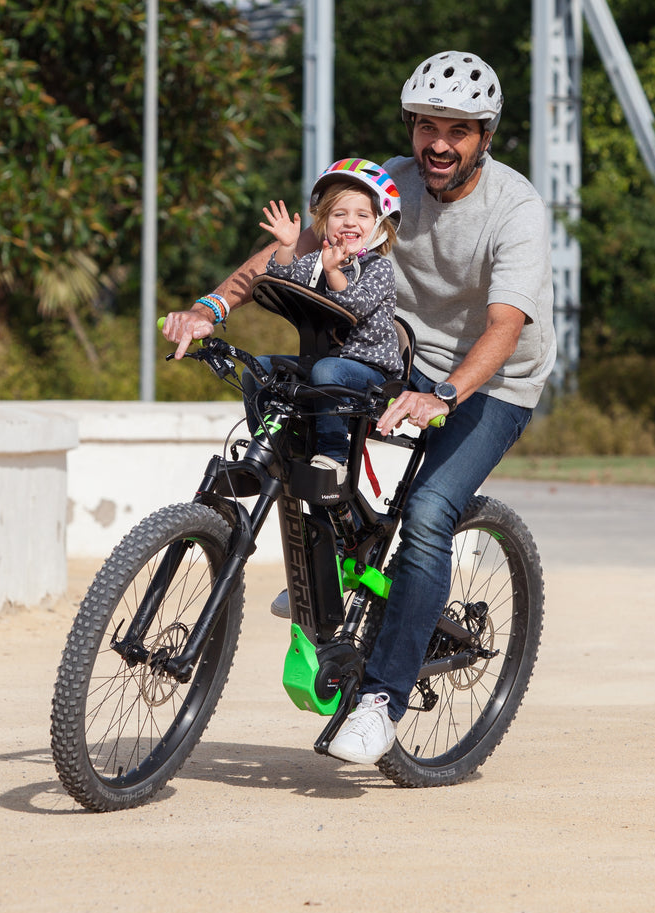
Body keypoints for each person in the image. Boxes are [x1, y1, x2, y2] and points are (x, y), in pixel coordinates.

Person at [162, 51, 555, 767]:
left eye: (458, 130)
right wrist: (208, 307)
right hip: (396, 357)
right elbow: (289, 254)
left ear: (485, 135)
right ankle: (333, 573)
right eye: (426, 126)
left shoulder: (514, 208)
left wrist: (441, 393)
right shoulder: (384, 186)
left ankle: (380, 700)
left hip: (490, 380)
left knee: (432, 511)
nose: (438, 143)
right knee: (293, 408)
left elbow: (504, 326)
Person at [254, 157, 403, 480]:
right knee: (260, 368)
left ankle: (334, 456)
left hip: (370, 371)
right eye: (339, 214)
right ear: (324, 221)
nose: (350, 222)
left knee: (327, 369)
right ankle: (269, 447)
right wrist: (286, 246)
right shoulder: (316, 262)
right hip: (324, 365)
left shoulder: (378, 269)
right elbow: (285, 278)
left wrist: (334, 271)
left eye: (362, 215)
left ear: (380, 223)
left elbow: (356, 304)